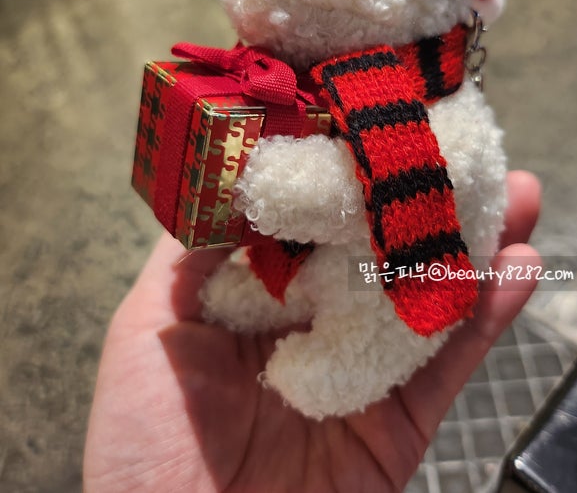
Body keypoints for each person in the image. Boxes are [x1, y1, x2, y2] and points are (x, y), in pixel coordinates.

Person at [84, 171, 542, 493]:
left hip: (390, 280)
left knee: (367, 311)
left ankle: (344, 364)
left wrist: (282, 181)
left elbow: (329, 191)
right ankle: (283, 295)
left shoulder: (423, 109)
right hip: (330, 263)